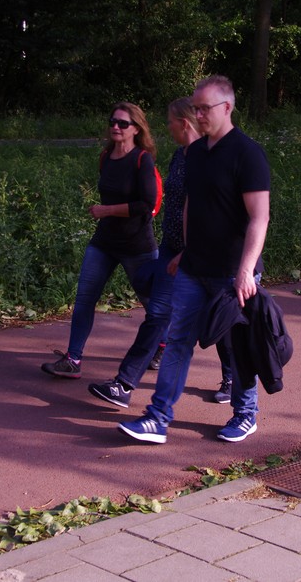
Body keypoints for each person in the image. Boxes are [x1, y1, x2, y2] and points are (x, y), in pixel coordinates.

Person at [119, 75, 271, 443]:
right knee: (178, 340)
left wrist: (245, 271)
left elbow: (259, 217)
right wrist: (185, 251)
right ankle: (158, 418)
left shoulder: (247, 154)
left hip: (232, 273)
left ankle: (245, 413)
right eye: (196, 108)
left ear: (227, 107)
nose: (198, 114)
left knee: (237, 346)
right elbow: (191, 204)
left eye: (205, 108)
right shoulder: (196, 153)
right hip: (194, 267)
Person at [87, 98, 236, 408]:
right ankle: (124, 384)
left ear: (184, 123)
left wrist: (191, 251)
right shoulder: (180, 156)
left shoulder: (211, 157)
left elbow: (213, 211)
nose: (167, 127)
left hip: (207, 254)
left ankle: (232, 378)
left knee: (218, 316)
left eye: (170, 122)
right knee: (157, 314)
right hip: (172, 247)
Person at [41, 102, 159, 379]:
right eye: (112, 122)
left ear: (136, 129)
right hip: (104, 242)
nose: (116, 127)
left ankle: (162, 346)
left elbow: (147, 204)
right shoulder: (106, 157)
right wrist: (107, 214)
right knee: (85, 298)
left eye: (123, 123)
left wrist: (107, 211)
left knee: (153, 302)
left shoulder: (142, 159)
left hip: (137, 245)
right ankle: (73, 359)